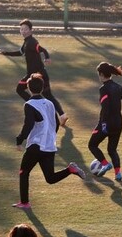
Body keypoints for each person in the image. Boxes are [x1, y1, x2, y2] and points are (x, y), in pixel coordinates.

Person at [12, 74, 85, 210]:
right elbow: (56, 123)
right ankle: (70, 169)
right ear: (42, 88)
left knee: (24, 172)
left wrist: (19, 139)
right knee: (50, 178)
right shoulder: (50, 103)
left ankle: (25, 202)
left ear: (28, 88)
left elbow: (28, 125)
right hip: (49, 146)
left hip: (36, 145)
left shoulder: (29, 104)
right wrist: (50, 137)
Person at [0, 19, 69, 127]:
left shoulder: (32, 42)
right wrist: (6, 53)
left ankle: (37, 108)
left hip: (36, 75)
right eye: (21, 29)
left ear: (30, 30)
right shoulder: (26, 42)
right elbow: (20, 52)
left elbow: (42, 49)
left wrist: (47, 57)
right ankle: (62, 115)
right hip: (39, 74)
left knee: (20, 89)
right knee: (48, 95)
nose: (23, 31)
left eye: (26, 29)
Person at [88, 62, 122, 181]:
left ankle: (105, 164)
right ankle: (118, 174)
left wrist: (104, 124)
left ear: (101, 74)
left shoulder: (103, 89)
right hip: (118, 123)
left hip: (107, 123)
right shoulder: (118, 87)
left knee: (92, 145)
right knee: (112, 149)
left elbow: (105, 107)